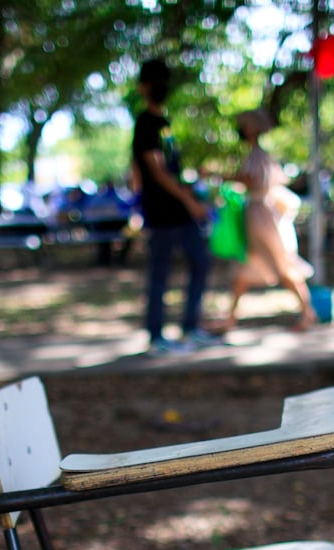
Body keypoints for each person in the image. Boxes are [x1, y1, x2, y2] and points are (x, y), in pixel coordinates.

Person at [132, 58, 220, 354]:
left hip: (179, 211)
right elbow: (155, 171)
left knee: (200, 263)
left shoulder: (164, 124)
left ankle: (190, 328)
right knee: (160, 273)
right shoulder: (145, 123)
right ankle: (156, 336)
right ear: (144, 86)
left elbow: (168, 167)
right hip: (162, 213)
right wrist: (188, 200)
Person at [221, 108, 316, 332]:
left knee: (283, 264)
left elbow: (252, 179)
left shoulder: (259, 156)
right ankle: (230, 318)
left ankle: (308, 312)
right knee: (244, 266)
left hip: (262, 218)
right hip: (256, 216)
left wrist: (225, 176)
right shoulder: (255, 155)